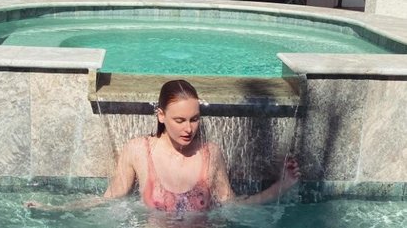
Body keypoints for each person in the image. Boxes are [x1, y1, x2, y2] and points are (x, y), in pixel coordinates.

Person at [25, 79, 300, 211]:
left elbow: (233, 205)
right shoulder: (138, 150)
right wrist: (56, 209)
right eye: (179, 120)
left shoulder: (210, 154)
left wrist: (280, 187)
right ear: (161, 116)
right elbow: (110, 198)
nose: (188, 128)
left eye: (194, 119)